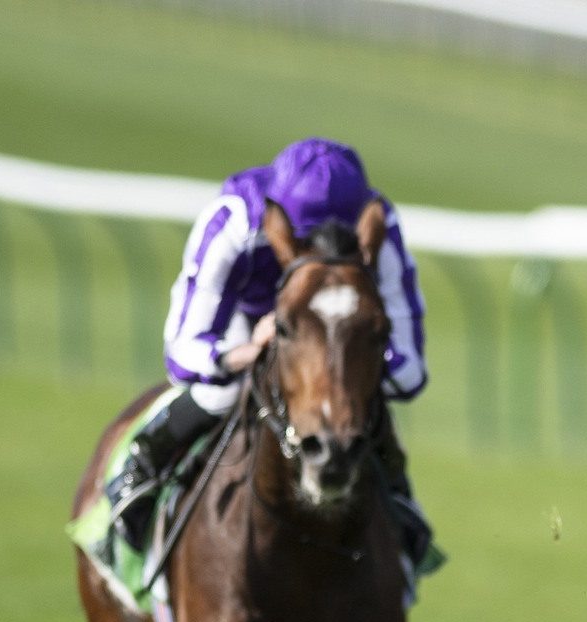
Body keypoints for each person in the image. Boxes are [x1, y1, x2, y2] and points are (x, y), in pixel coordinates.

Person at [107, 137, 433, 567]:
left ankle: (402, 517)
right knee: (218, 394)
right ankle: (142, 471)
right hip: (252, 323)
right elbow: (183, 350)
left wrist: (353, 374)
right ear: (278, 223)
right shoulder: (236, 219)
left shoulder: (379, 224)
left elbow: (410, 368)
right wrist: (241, 355)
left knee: (361, 413)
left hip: (340, 335)